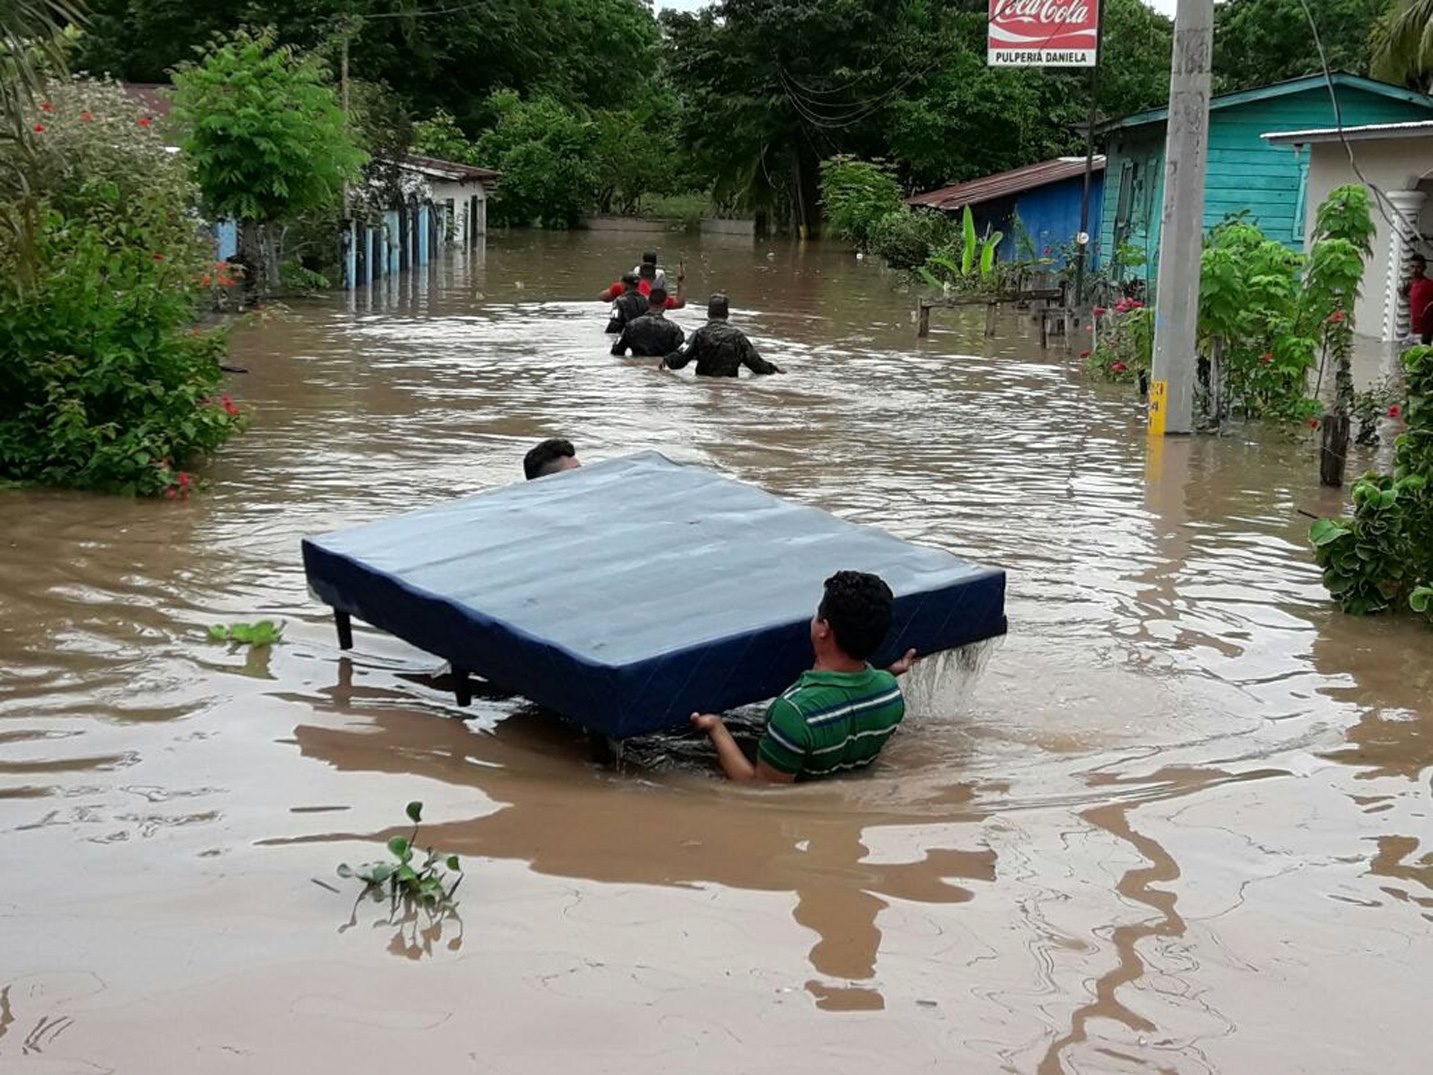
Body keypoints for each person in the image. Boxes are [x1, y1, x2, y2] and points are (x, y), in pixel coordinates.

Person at [690, 571, 918, 783]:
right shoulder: (889, 693)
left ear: (823, 629)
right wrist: (887, 673)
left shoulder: (794, 712)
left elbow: (758, 787)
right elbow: (858, 699)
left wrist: (716, 728)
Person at [660, 294, 783, 377]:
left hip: (703, 387)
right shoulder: (737, 337)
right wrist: (774, 369)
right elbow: (756, 365)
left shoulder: (699, 334)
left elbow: (678, 360)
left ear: (708, 313)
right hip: (730, 387)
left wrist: (664, 360)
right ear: (727, 314)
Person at [611, 287, 685, 357]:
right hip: (660, 367)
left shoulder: (631, 326)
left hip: (637, 367)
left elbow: (616, 351)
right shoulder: (674, 329)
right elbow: (683, 354)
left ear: (648, 301)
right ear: (665, 304)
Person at [599, 258, 685, 308]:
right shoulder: (654, 297)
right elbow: (679, 303)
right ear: (655, 277)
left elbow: (602, 297)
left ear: (639, 274)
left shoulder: (620, 287)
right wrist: (680, 281)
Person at [1402, 253, 1433, 345]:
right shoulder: (1410, 285)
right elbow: (1413, 302)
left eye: (1418, 267)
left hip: (1425, 333)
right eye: (1412, 267)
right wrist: (1403, 294)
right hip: (1413, 331)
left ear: (1424, 268)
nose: (1414, 270)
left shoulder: (1429, 284)